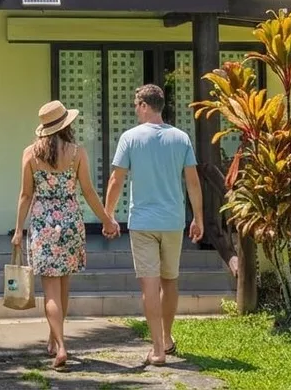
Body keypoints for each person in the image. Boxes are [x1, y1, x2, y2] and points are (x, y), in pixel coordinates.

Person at [14, 100, 120, 371]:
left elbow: (26, 195)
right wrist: (107, 220)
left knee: (50, 289)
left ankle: (59, 345)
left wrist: (18, 230)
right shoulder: (77, 153)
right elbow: (88, 191)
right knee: (64, 286)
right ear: (67, 126)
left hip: (43, 223)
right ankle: (55, 339)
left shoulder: (30, 154)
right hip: (71, 221)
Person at [104, 84, 203, 367]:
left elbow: (116, 180)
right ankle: (168, 338)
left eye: (137, 105)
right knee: (170, 281)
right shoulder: (181, 138)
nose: (135, 109)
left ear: (146, 106)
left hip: (143, 222)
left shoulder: (130, 138)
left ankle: (158, 349)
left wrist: (109, 215)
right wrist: (198, 217)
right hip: (173, 222)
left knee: (149, 284)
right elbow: (192, 182)